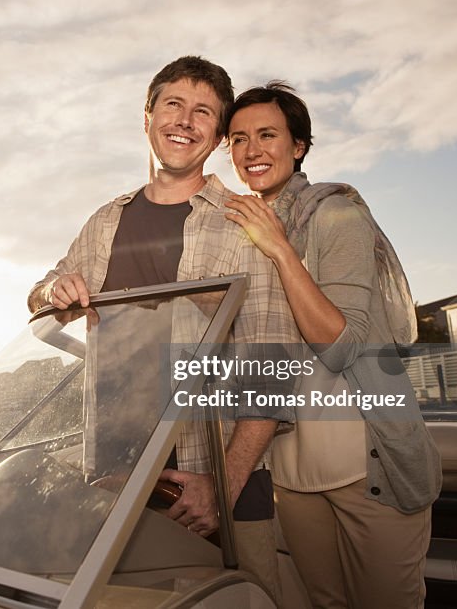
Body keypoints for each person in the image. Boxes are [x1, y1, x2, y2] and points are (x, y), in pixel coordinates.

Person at [28, 56, 298, 603]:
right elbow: (41, 293)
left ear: (218, 136)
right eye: (173, 104)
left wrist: (222, 487)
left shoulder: (243, 220)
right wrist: (52, 293)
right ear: (147, 116)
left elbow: (271, 366)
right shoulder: (106, 220)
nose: (185, 120)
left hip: (218, 480)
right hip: (118, 477)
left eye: (204, 112)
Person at [223, 81, 442, 608]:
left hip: (367, 467)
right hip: (292, 471)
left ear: (298, 146)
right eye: (238, 138)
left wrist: (279, 248)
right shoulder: (239, 230)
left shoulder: (337, 215)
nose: (252, 150)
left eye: (268, 134)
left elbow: (341, 346)